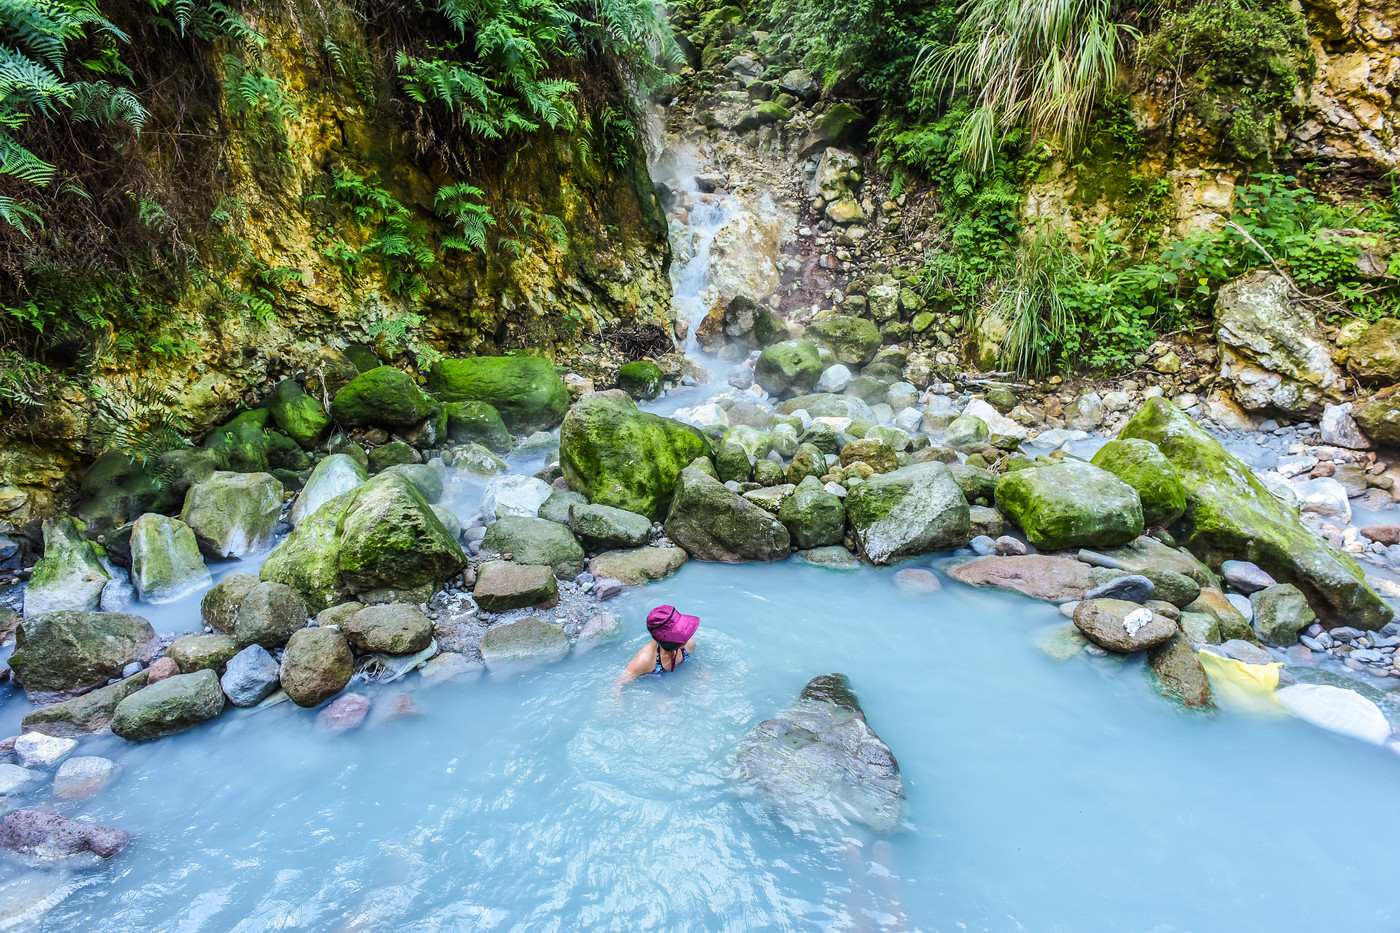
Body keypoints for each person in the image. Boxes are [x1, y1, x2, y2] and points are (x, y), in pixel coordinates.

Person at [616, 605, 699, 687]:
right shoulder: (645, 660)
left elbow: (695, 660)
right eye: (680, 633)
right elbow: (618, 684)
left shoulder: (688, 643)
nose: (686, 635)